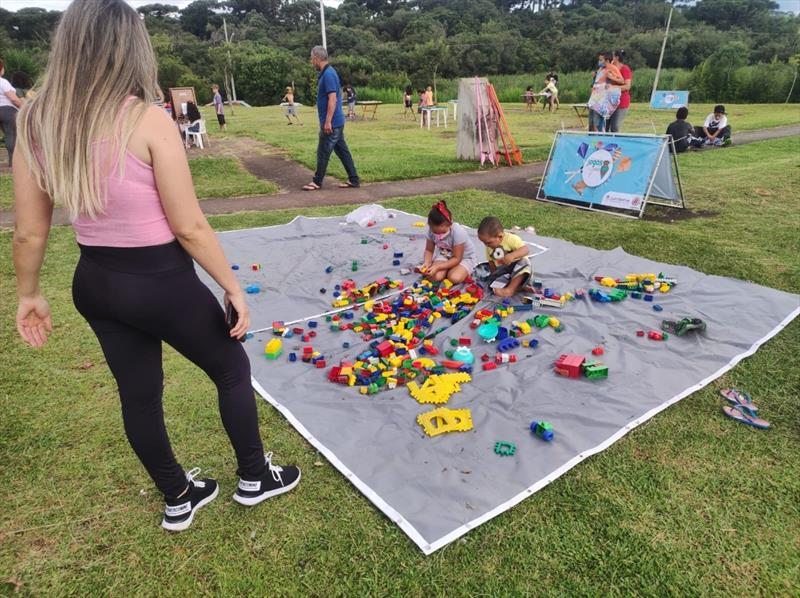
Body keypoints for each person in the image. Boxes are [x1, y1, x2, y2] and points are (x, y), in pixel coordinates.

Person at [12, 0, 300, 532]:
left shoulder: (35, 120)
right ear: (130, 47)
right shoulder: (146, 118)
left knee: (139, 395)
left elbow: (30, 230)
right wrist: (231, 286)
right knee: (232, 370)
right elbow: (189, 226)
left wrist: (28, 293)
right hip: (158, 280)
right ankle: (256, 477)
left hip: (94, 282)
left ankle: (178, 496)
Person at [302, 46, 360, 190]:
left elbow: (332, 99)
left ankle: (317, 181)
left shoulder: (328, 74)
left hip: (332, 123)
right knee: (342, 152)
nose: (311, 62)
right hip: (337, 122)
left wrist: (328, 121)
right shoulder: (327, 73)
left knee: (323, 151)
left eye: (311, 59)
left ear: (316, 58)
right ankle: (354, 180)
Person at [421, 200, 478, 285]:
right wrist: (427, 263)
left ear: (449, 224)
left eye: (442, 233)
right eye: (436, 232)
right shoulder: (431, 231)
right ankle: (448, 269)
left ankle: (459, 269)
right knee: (434, 277)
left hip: (464, 257)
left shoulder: (458, 232)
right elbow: (429, 250)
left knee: (454, 277)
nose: (439, 236)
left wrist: (438, 266)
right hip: (445, 254)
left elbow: (457, 258)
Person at [476, 217, 532, 298]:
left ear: (500, 236)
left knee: (524, 262)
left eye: (488, 242)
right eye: (484, 243)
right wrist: (494, 276)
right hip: (504, 272)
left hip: (518, 270)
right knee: (491, 284)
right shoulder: (489, 247)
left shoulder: (511, 239)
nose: (486, 245)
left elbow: (525, 250)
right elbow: (491, 263)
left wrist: (512, 255)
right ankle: (518, 287)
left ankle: (510, 290)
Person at [587, 52, 623, 133]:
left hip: (602, 99)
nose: (599, 61)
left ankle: (599, 139)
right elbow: (597, 81)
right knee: (591, 119)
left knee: (597, 119)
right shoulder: (601, 68)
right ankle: (592, 138)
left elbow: (621, 80)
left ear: (606, 60)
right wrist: (594, 77)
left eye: (601, 60)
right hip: (595, 96)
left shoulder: (612, 68)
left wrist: (611, 78)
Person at [0, 58, 24, 167]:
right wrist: (25, 107)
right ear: (1, 70)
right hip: (7, 111)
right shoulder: (3, 82)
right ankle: (12, 162)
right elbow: (13, 99)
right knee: (11, 135)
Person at [608, 49, 632, 132]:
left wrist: (613, 88)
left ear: (616, 58)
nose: (610, 58)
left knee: (615, 127)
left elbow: (627, 86)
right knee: (606, 126)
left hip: (621, 102)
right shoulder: (611, 69)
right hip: (610, 102)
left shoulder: (625, 69)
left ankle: (617, 143)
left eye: (612, 56)